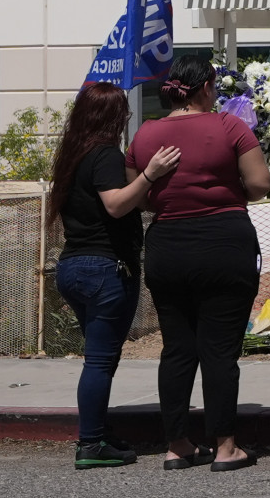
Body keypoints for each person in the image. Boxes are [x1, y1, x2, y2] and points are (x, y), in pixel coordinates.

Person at [130, 55, 270, 472]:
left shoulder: (145, 134)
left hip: (167, 247)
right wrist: (227, 190)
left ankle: (177, 445)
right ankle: (226, 447)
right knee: (219, 351)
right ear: (207, 87)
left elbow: (137, 194)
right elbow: (260, 184)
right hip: (223, 243)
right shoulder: (230, 126)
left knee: (176, 348)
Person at [49, 81, 182, 468]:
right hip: (104, 269)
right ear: (113, 117)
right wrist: (151, 174)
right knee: (100, 361)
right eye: (122, 111)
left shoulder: (73, 156)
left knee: (98, 357)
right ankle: (91, 443)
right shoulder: (104, 155)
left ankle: (97, 431)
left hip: (73, 266)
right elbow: (116, 205)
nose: (127, 117)